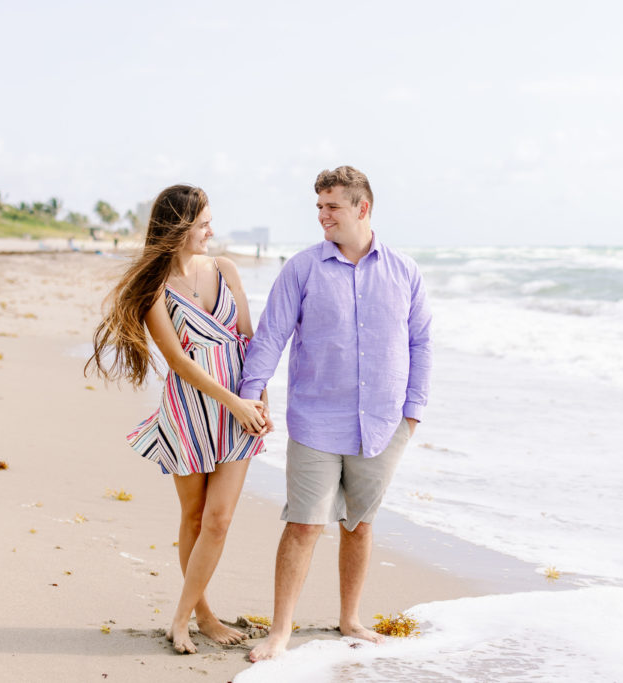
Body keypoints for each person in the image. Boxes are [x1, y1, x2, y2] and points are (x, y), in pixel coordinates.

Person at [239, 166, 432, 661]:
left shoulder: (404, 271)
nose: (322, 216)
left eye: (332, 207)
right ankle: (280, 631)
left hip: (385, 423)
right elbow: (272, 335)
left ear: (361, 208)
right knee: (304, 525)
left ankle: (350, 618)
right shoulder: (302, 268)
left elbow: (421, 342)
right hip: (316, 421)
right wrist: (252, 391)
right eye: (319, 207)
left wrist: (413, 412)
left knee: (359, 525)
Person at [85, 184, 271, 654]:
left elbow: (249, 340)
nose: (212, 229)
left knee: (219, 519)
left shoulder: (225, 269)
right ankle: (201, 615)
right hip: (190, 411)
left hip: (239, 412)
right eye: (204, 222)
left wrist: (259, 400)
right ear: (179, 227)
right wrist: (235, 402)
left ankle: (181, 617)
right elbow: (180, 362)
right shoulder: (154, 289)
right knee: (193, 516)